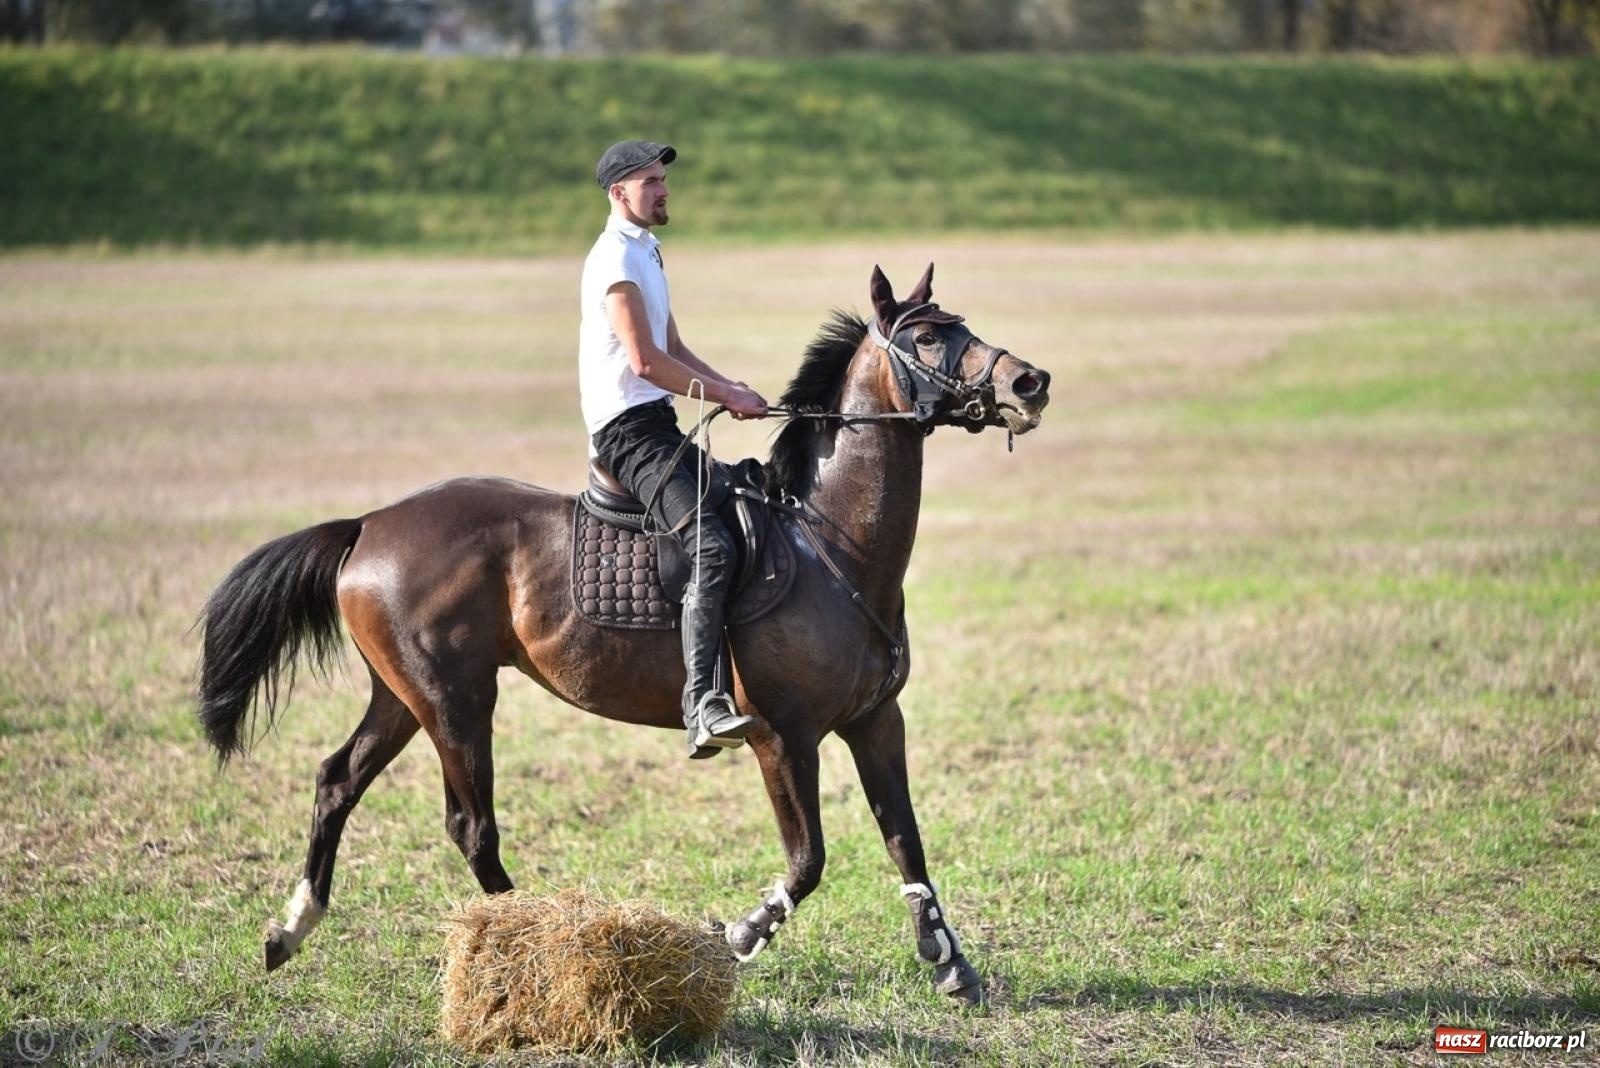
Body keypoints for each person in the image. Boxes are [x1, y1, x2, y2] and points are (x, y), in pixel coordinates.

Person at [579, 140, 769, 759]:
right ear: (618, 193)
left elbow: (674, 346)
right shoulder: (614, 258)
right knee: (708, 543)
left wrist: (730, 386)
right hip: (627, 432)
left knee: (752, 503)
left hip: (656, 419)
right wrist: (720, 393)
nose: (663, 190)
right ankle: (703, 704)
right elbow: (644, 361)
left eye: (663, 179)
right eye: (649, 182)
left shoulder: (646, 250)